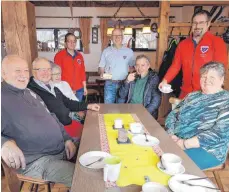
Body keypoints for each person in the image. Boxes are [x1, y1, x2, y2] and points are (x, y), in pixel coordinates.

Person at [1, 55, 77, 187]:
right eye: (18, 71)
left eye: (26, 71)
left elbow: (51, 116)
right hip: (38, 161)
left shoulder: (29, 92)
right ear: (3, 73)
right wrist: (3, 143)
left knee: (94, 144)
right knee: (84, 178)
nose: (23, 75)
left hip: (61, 148)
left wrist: (67, 139)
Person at [165, 61, 229, 170]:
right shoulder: (192, 96)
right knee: (151, 150)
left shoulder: (225, 100)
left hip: (208, 150)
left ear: (221, 79)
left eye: (212, 77)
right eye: (204, 77)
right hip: (177, 140)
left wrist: (185, 144)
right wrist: (171, 134)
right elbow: (172, 115)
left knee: (169, 163)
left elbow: (219, 134)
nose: (207, 80)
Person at [159, 10, 228, 99]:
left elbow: (220, 69)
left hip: (207, 94)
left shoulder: (217, 42)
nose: (197, 26)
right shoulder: (182, 44)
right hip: (186, 94)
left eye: (201, 23)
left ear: (208, 23)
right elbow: (175, 66)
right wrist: (165, 80)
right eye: (195, 23)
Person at [28, 57, 100, 127]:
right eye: (42, 70)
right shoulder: (30, 91)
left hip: (67, 124)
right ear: (33, 71)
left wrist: (88, 106)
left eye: (48, 69)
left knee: (94, 125)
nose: (46, 73)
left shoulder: (54, 88)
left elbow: (68, 102)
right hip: (57, 131)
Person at [118, 55, 161, 119]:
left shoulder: (153, 78)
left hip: (145, 111)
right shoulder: (132, 76)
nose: (139, 68)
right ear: (135, 67)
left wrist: (144, 112)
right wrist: (127, 81)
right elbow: (121, 95)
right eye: (137, 65)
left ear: (148, 66)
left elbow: (156, 101)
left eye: (142, 65)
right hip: (130, 109)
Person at [98, 28, 135, 103]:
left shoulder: (129, 52)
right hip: (109, 83)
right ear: (111, 37)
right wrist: (101, 72)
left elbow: (132, 68)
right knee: (108, 108)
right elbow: (101, 67)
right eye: (114, 35)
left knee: (121, 109)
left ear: (122, 37)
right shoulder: (106, 51)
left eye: (119, 35)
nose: (117, 37)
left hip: (124, 84)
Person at [54, 33, 87, 101]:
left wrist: (85, 87)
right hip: (65, 89)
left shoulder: (79, 56)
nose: (72, 43)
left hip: (79, 89)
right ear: (65, 43)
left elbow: (82, 72)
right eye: (69, 41)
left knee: (77, 109)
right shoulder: (59, 56)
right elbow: (56, 74)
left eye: (74, 41)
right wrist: (68, 89)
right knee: (67, 110)